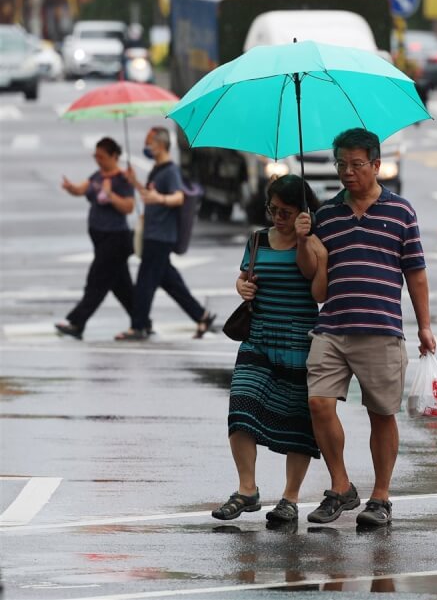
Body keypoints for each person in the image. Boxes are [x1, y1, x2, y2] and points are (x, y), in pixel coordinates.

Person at [297, 127, 436, 528]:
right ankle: (341, 486)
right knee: (318, 403)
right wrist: (306, 240)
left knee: (381, 413)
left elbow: (416, 273)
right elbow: (313, 279)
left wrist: (424, 326)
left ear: (377, 165)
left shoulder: (401, 211)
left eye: (357, 164)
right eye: (341, 164)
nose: (347, 172)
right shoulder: (325, 214)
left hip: (381, 327)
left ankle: (381, 497)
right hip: (333, 326)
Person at [212, 175, 329, 524]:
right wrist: (241, 286)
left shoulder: (315, 243)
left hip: (298, 339)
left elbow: (318, 293)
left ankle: (290, 498)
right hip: (259, 335)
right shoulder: (257, 239)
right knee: (241, 407)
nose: (278, 217)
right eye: (272, 209)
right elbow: (245, 276)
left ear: (302, 212)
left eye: (286, 211)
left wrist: (307, 241)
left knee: (297, 422)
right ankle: (247, 489)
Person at [115, 126, 214, 341]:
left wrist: (158, 199)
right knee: (170, 282)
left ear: (160, 145)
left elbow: (178, 197)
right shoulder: (157, 169)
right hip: (154, 232)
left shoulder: (170, 171)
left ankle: (138, 326)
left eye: (149, 142)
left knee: (145, 283)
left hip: (161, 235)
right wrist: (134, 182)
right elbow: (151, 194)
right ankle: (201, 316)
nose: (146, 146)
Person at [55, 137, 137, 340]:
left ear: (114, 156)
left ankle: (77, 322)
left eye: (101, 157)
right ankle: (142, 320)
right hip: (100, 239)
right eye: (96, 156)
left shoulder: (122, 179)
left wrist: (111, 196)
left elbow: (128, 207)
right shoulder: (97, 176)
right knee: (122, 287)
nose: (98, 161)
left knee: (96, 282)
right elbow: (83, 189)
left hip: (116, 239)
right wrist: (71, 188)